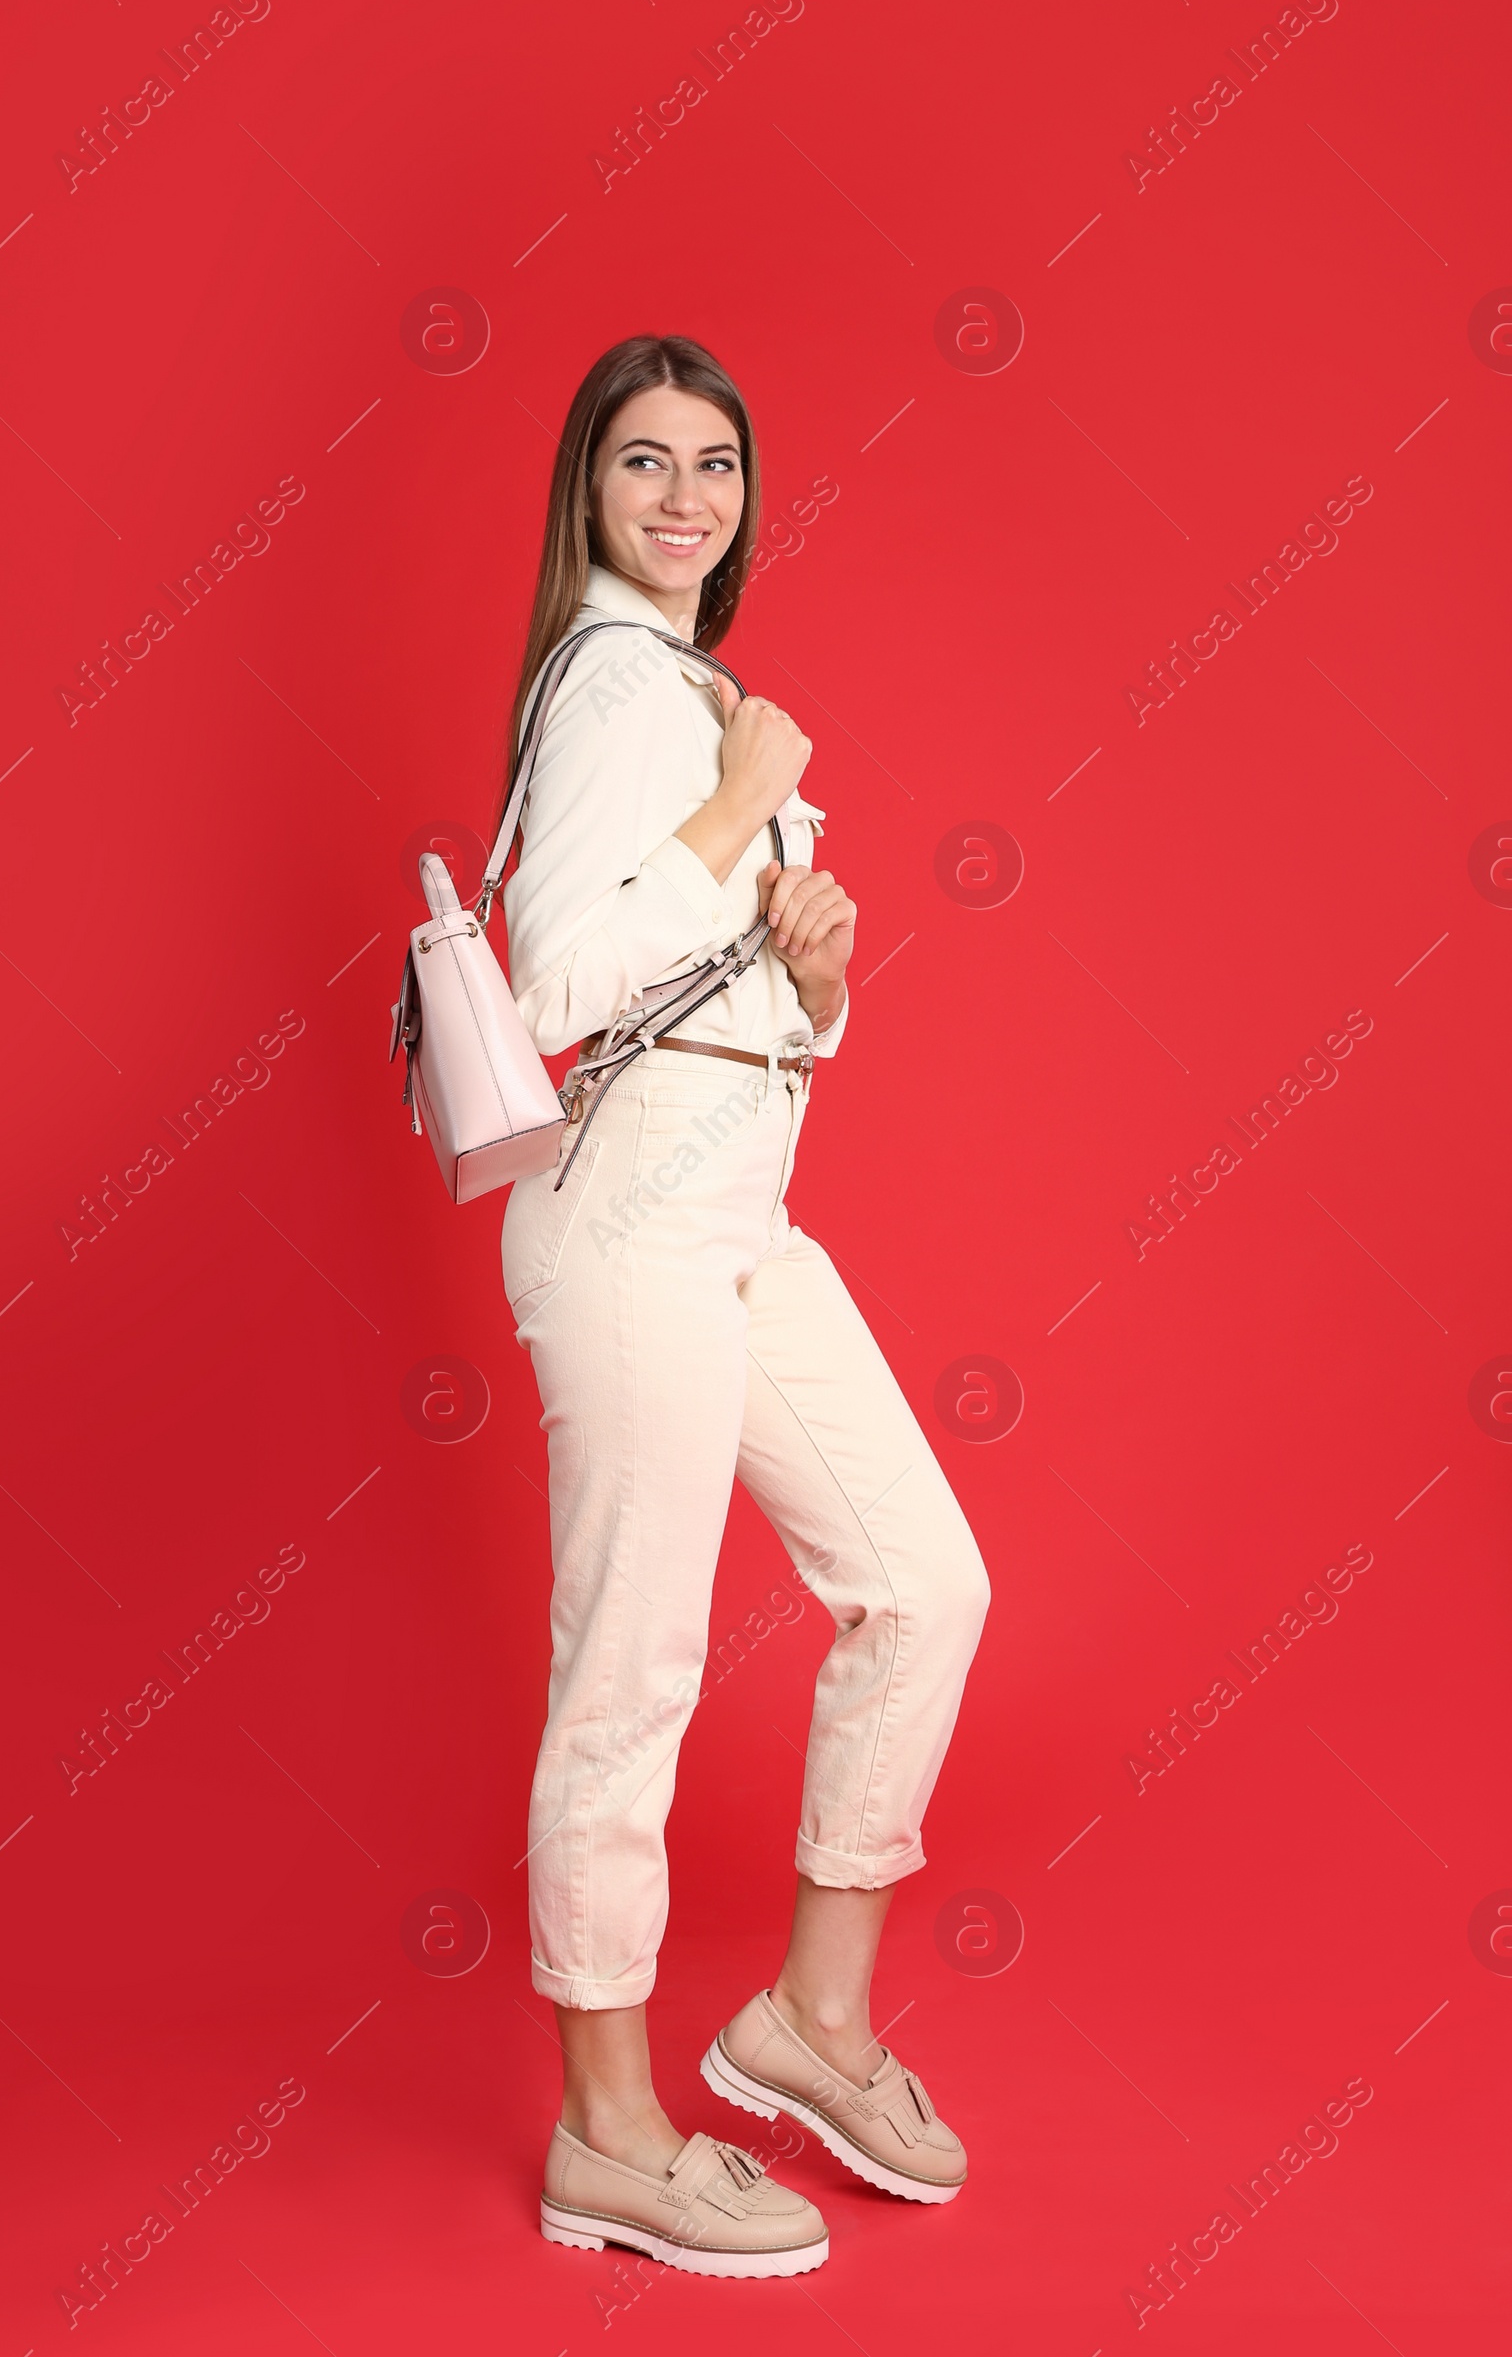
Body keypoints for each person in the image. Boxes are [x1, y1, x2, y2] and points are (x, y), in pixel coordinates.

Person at [498, 334, 991, 2279]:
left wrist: (818, 956)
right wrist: (744, 812)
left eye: (712, 463)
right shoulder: (616, 684)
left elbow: (732, 1014)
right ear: (589, 497)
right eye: (643, 463)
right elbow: (550, 989)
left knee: (922, 1582)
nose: (686, 496)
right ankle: (606, 2132)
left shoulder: (698, 691)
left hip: (736, 1211)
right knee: (633, 1671)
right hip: (620, 1225)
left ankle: (805, 2022)